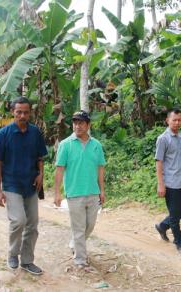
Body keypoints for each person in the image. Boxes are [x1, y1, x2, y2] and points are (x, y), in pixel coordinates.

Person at [0, 97, 47, 275]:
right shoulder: (3, 135)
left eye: (26, 112)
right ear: (13, 112)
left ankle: (27, 261)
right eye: (19, 112)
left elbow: (40, 158)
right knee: (18, 221)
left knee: (32, 224)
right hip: (11, 184)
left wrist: (40, 174)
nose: (22, 115)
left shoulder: (35, 133)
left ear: (30, 113)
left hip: (30, 185)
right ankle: (13, 254)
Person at [54, 110, 106, 270]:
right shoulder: (65, 145)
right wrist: (57, 192)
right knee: (78, 228)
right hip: (74, 193)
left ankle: (74, 244)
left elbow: (100, 169)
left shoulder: (96, 145)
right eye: (75, 123)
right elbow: (60, 169)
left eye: (81, 122)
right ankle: (80, 260)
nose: (77, 126)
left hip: (92, 191)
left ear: (88, 125)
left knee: (89, 225)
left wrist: (102, 190)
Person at [154, 108, 181, 256]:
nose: (177, 122)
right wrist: (160, 183)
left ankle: (163, 226)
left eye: (179, 120)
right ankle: (180, 243)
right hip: (170, 183)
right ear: (167, 120)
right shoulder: (163, 139)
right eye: (174, 120)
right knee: (175, 215)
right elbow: (159, 162)